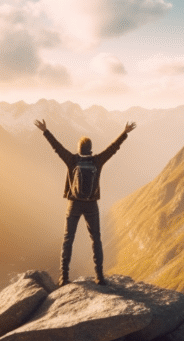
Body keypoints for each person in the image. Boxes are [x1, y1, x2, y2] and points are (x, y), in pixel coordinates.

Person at [35, 118, 136, 286]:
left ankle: (64, 277)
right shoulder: (97, 161)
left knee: (68, 239)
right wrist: (124, 133)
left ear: (79, 148)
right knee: (96, 239)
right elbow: (113, 149)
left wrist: (45, 131)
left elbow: (57, 147)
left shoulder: (72, 160)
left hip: (73, 204)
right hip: (91, 205)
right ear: (90, 150)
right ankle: (99, 276)